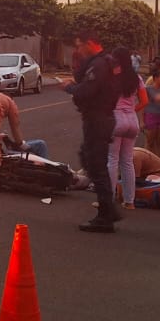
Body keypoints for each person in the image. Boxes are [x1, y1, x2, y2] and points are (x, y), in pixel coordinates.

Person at [53, 31, 121, 233]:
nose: (78, 50)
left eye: (80, 45)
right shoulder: (106, 62)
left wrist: (69, 87)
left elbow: (86, 91)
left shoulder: (99, 65)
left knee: (96, 165)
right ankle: (108, 209)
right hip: (101, 117)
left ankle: (105, 215)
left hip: (98, 118)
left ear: (90, 43)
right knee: (90, 159)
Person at [107, 46, 148, 210]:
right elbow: (145, 101)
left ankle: (107, 200)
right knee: (127, 161)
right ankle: (129, 201)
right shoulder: (136, 78)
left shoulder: (112, 77)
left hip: (115, 120)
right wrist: (131, 110)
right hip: (132, 121)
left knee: (112, 160)